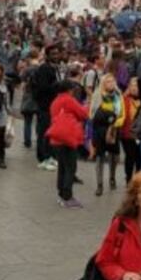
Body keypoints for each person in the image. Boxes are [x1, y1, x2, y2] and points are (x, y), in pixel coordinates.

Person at [46, 80, 87, 208]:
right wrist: (87, 106)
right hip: (67, 138)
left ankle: (61, 194)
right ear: (69, 89)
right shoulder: (68, 100)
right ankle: (67, 196)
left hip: (56, 138)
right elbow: (83, 113)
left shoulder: (55, 101)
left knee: (62, 167)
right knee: (71, 167)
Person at [90, 74, 125, 196]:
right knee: (100, 157)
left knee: (114, 156)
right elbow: (92, 113)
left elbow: (122, 114)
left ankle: (112, 177)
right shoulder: (97, 95)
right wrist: (105, 117)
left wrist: (115, 124)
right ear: (103, 83)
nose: (110, 83)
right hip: (100, 130)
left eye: (112, 81)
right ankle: (99, 184)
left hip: (114, 129)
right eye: (108, 81)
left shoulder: (118, 96)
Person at [30, 45, 62, 171]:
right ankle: (44, 157)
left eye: (57, 53)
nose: (55, 56)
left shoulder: (55, 68)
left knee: (51, 131)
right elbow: (43, 88)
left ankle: (51, 156)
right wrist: (58, 86)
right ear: (47, 55)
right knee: (44, 131)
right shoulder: (44, 69)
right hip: (45, 106)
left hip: (53, 105)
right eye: (53, 54)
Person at [118, 78, 141, 185]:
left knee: (139, 158)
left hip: (140, 135)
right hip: (127, 134)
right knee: (130, 157)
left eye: (136, 85)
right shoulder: (124, 99)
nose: (134, 87)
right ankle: (128, 179)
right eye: (131, 85)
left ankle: (138, 180)